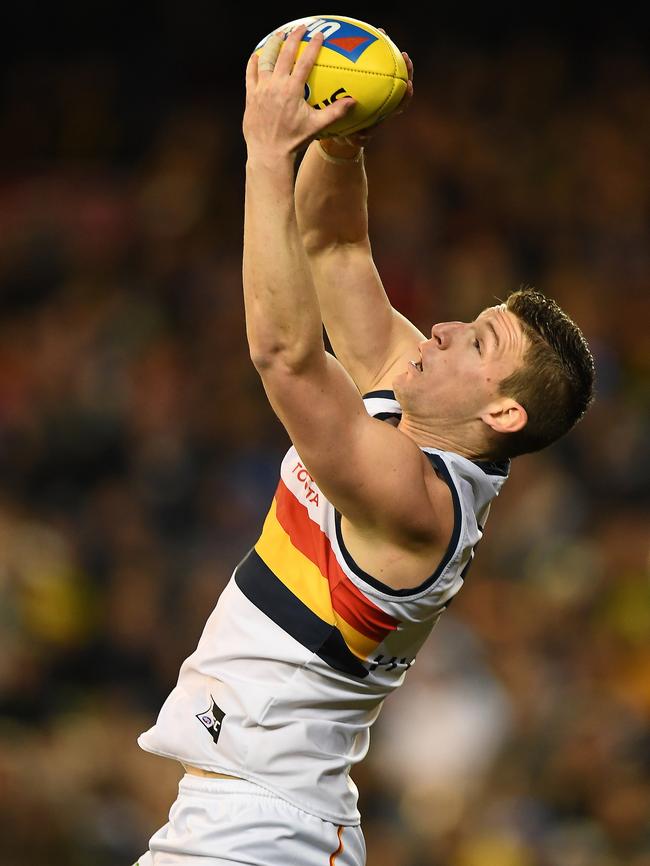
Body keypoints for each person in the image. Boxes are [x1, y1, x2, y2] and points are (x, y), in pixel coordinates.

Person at [133, 23, 595, 866]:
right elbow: (333, 246)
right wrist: (344, 143)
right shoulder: (408, 392)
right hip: (233, 815)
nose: (447, 327)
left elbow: (284, 355)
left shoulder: (415, 503)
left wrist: (269, 154)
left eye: (480, 343)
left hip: (267, 834)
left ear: (502, 417)